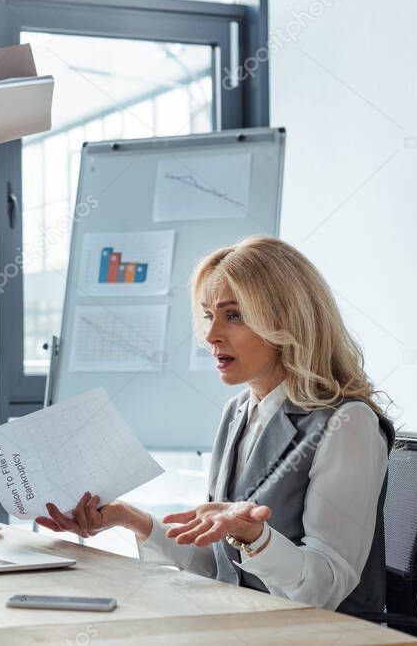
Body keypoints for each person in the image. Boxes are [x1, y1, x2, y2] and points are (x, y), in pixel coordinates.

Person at [36, 236, 395, 614]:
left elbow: (326, 587)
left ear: (286, 321)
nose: (210, 336)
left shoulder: (347, 423)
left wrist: (254, 536)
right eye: (209, 316)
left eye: (234, 315)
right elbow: (216, 565)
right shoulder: (239, 411)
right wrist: (129, 518)